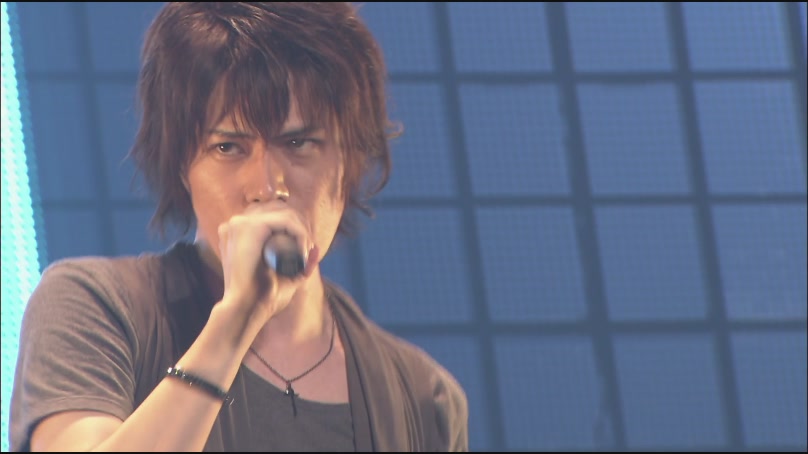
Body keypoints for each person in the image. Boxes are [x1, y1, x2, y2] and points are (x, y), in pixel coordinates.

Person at [8, 2, 468, 451]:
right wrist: (237, 320)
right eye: (228, 148)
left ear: (349, 158)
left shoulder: (422, 397)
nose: (266, 187)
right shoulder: (95, 307)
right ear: (182, 165)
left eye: (298, 143)